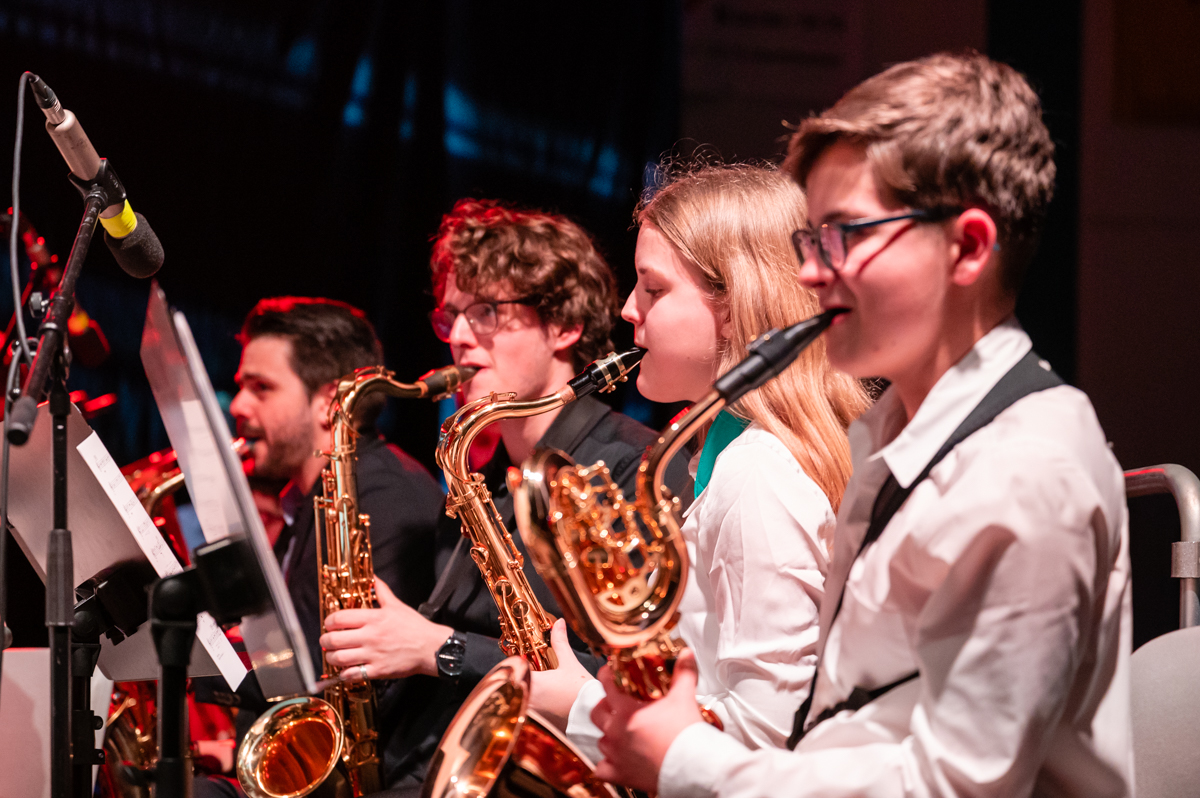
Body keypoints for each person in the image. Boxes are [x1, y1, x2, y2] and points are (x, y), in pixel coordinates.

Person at [588, 52, 1133, 798]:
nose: (808, 273)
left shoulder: (1026, 472)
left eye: (843, 235)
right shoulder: (902, 436)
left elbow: (955, 787)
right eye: (811, 240)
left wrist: (683, 757)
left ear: (967, 247)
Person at [318, 199, 691, 794]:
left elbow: (628, 684)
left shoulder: (636, 472)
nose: (460, 338)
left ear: (564, 326)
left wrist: (435, 648)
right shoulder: (480, 475)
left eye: (487, 312)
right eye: (451, 317)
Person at [526, 163, 870, 762]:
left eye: (653, 289)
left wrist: (579, 700)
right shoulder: (738, 455)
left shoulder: (757, 474)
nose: (629, 310)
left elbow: (767, 735)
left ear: (736, 307)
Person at [229, 297, 446, 680]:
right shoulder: (306, 497)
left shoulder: (386, 498)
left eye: (261, 387)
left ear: (331, 401)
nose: (238, 406)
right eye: (241, 387)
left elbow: (326, 670)